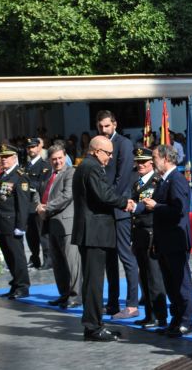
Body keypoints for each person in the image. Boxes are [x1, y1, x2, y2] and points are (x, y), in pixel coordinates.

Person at [71, 136, 133, 342]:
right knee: (94, 283)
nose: (110, 157)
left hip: (92, 232)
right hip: (94, 233)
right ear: (97, 151)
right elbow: (104, 195)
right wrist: (125, 203)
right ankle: (93, 327)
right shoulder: (92, 167)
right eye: (108, 153)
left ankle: (95, 323)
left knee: (93, 282)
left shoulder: (86, 166)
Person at [135, 145, 192, 338]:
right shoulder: (163, 180)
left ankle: (186, 320)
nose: (152, 161)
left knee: (180, 282)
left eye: (154, 157)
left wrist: (156, 207)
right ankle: (176, 318)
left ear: (166, 159)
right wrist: (136, 207)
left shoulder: (176, 179)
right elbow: (154, 205)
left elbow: (179, 210)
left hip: (175, 239)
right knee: (170, 283)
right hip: (164, 240)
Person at [96, 110, 140, 319]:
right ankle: (112, 302)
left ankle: (132, 304)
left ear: (114, 124)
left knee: (126, 256)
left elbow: (123, 177)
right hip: (106, 209)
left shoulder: (123, 143)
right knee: (109, 259)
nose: (103, 130)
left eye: (107, 126)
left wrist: (109, 197)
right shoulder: (98, 144)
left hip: (119, 207)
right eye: (100, 126)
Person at [35, 144, 81, 309]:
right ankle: (64, 294)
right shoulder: (47, 174)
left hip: (66, 223)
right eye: (54, 159)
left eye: (60, 158)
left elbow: (67, 195)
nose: (57, 161)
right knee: (58, 262)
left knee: (72, 262)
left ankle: (75, 296)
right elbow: (36, 191)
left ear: (65, 156)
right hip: (50, 223)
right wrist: (38, 205)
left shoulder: (71, 172)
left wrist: (45, 208)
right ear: (49, 160)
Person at [0, 145, 31, 300]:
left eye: (6, 157)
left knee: (17, 256)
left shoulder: (20, 176)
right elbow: (1, 198)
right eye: (2, 157)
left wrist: (21, 226)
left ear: (14, 158)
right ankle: (15, 283)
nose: (3, 160)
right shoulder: (3, 175)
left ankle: (23, 286)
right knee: (8, 256)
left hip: (12, 223)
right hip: (1, 222)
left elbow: (23, 204)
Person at [129, 147, 168, 328]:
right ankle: (149, 314)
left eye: (143, 162)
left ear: (151, 163)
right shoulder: (137, 183)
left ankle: (160, 316)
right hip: (139, 233)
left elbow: (149, 206)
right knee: (143, 276)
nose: (140, 165)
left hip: (151, 233)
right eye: (138, 162)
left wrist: (134, 207)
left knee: (154, 277)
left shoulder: (156, 181)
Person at [24, 138, 52, 270]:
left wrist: (29, 185)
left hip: (39, 203)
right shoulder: (25, 166)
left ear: (39, 148)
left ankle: (48, 259)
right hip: (28, 204)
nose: (31, 150)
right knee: (31, 234)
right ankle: (34, 258)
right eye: (29, 147)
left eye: (33, 147)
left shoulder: (45, 165)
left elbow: (45, 184)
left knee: (43, 234)